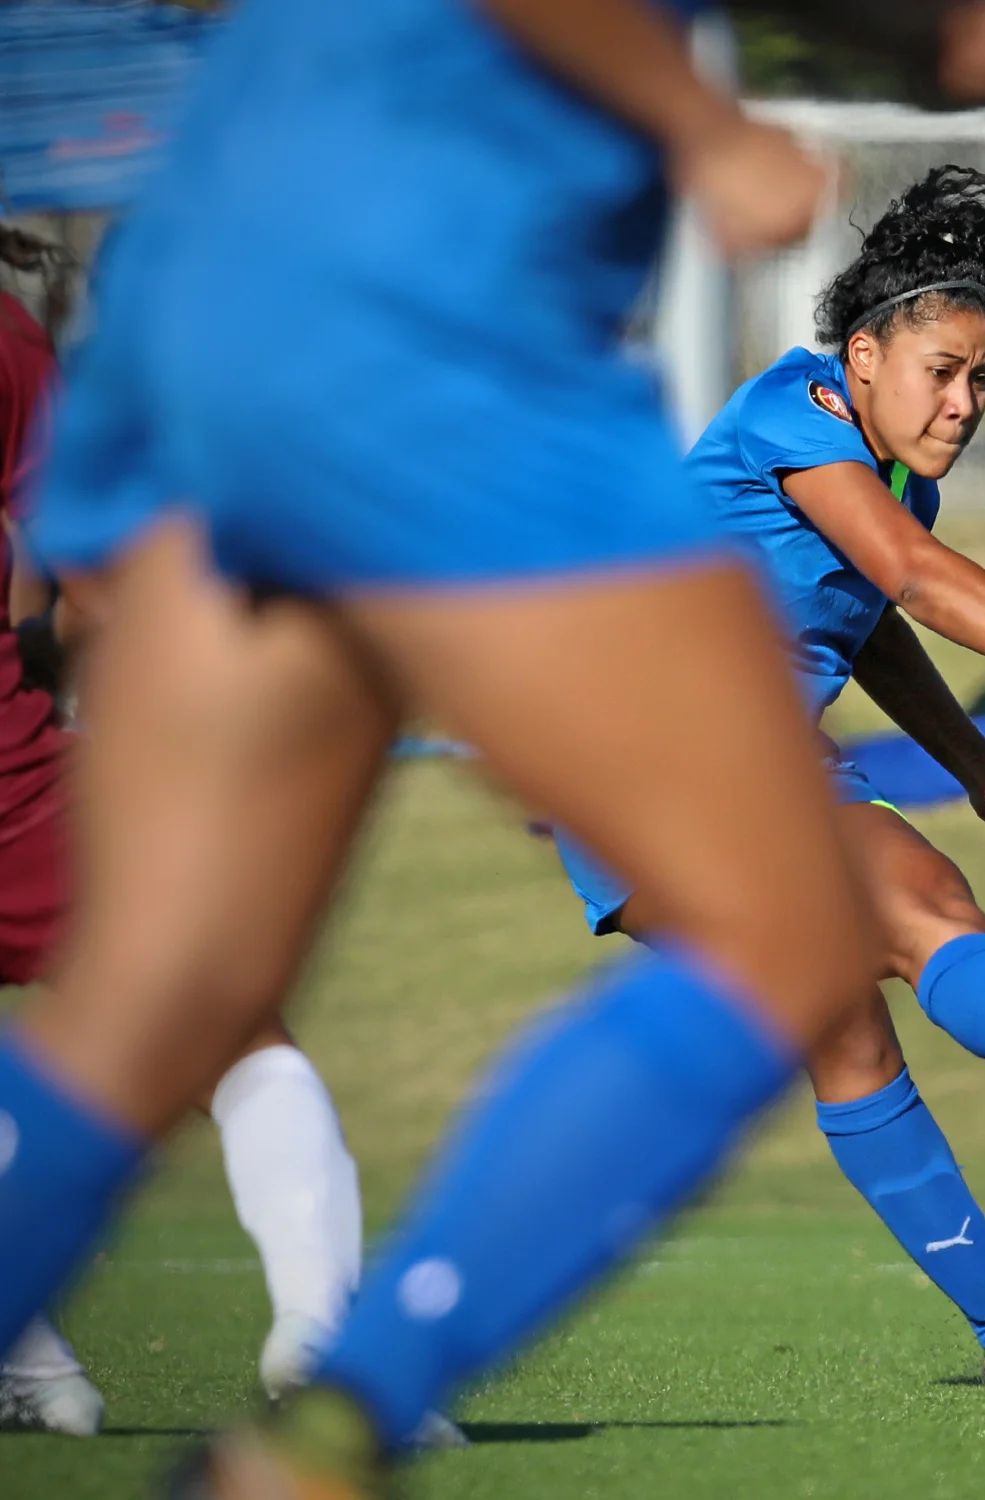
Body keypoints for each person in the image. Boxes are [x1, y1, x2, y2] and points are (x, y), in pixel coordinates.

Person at [0, 2, 985, 1496]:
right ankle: (339, 1423)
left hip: (206, 307)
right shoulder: (800, 415)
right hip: (435, 328)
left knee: (162, 998)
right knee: (796, 930)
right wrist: (707, 127)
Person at [553, 168, 985, 1385]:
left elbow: (877, 622)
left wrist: (983, 771)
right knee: (906, 917)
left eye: (983, 378)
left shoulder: (896, 476)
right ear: (865, 354)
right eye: (944, 370)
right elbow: (912, 575)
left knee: (871, 1009)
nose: (965, 400)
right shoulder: (797, 406)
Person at [1, 284, 455, 1445]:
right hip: (19, 762)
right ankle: (319, 1340)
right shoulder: (14, 338)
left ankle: (36, 1364)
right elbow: (69, 580)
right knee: (236, 1030)